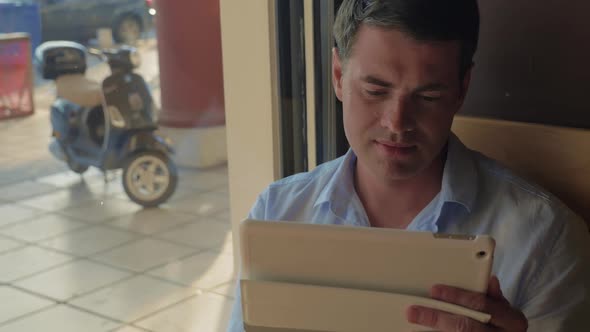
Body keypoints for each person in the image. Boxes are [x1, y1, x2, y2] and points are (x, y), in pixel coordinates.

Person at [227, 0, 590, 331]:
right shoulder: (278, 212)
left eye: (428, 96)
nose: (397, 122)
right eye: (375, 90)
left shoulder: (544, 239)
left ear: (462, 90)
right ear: (338, 75)